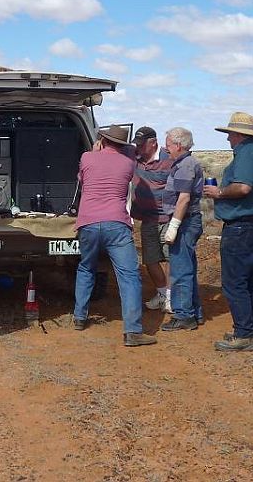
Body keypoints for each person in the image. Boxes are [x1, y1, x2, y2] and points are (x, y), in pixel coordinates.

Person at [73, 125, 157, 347]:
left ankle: (79, 317)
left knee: (86, 267)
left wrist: (95, 151)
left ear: (102, 140)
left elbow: (82, 179)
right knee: (129, 275)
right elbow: (132, 155)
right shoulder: (128, 163)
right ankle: (132, 331)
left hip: (88, 222)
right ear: (122, 144)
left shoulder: (87, 158)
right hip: (116, 224)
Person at [202, 112, 253, 352]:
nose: (228, 138)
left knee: (234, 282)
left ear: (239, 134)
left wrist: (219, 193)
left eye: (230, 134)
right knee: (249, 279)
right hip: (252, 225)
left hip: (241, 227)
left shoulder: (245, 154)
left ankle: (243, 335)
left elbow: (243, 188)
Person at [159, 127, 205, 332]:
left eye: (168, 144)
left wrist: (174, 226)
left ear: (178, 145)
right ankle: (194, 312)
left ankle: (184, 315)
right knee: (187, 267)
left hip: (185, 222)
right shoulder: (185, 163)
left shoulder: (185, 165)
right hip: (187, 221)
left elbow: (184, 198)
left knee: (180, 270)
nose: (166, 148)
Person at [130, 126, 174, 313]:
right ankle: (162, 293)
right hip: (147, 218)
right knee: (150, 259)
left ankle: (170, 297)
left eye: (142, 144)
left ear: (153, 142)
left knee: (170, 258)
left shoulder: (169, 159)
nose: (138, 148)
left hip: (167, 218)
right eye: (137, 144)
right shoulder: (135, 157)